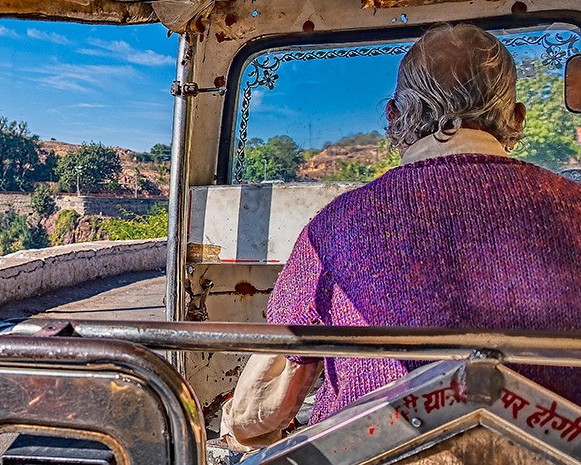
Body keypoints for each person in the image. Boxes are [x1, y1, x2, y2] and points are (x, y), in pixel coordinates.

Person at [220, 23, 581, 451]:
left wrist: (236, 428)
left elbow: (272, 395)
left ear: (393, 115)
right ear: (517, 117)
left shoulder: (337, 226)